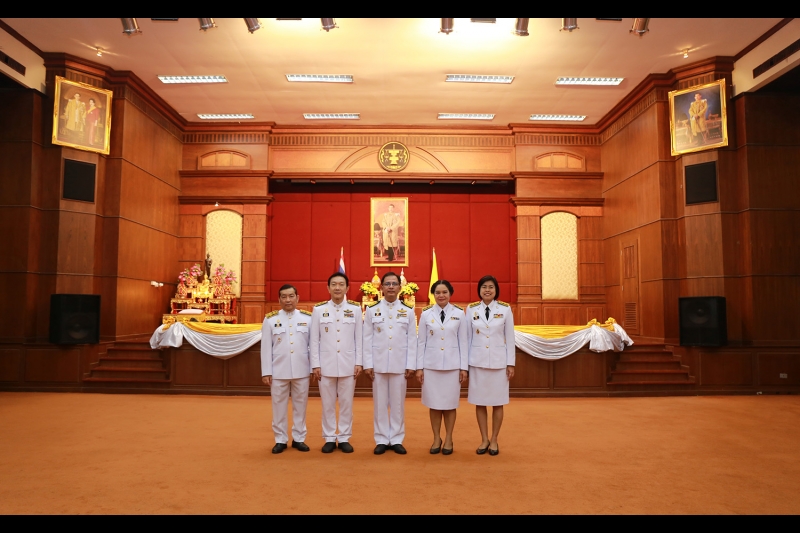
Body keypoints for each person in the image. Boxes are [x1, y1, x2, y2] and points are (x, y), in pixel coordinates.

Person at [363, 271, 416, 455]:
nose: (391, 287)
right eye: (387, 284)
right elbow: (367, 338)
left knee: (398, 403)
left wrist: (410, 364)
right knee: (379, 403)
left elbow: (412, 340)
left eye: (394, 283)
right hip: (378, 364)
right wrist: (368, 364)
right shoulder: (372, 309)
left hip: (400, 364)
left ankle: (396, 439)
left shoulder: (408, 311)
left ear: (400, 288)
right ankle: (381, 438)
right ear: (382, 287)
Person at [310, 272, 363, 453]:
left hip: (349, 364)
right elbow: (314, 340)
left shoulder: (356, 309)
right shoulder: (319, 310)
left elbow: (359, 339)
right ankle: (330, 437)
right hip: (325, 365)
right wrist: (315, 364)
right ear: (328, 288)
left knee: (347, 403)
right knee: (327, 403)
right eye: (334, 284)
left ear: (347, 288)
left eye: (341, 284)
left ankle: (345, 437)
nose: (338, 288)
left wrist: (359, 362)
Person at [416, 280, 467, 455]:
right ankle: (436, 438)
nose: (441, 295)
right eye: (437, 292)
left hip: (453, 366)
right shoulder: (425, 314)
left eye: (444, 292)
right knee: (434, 404)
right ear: (433, 294)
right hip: (431, 366)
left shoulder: (460, 314)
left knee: (450, 405)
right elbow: (421, 342)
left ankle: (449, 438)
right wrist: (419, 368)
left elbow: (464, 342)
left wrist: (463, 368)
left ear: (450, 293)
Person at [467, 275, 515, 456]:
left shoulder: (505, 309)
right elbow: (467, 339)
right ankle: (484, 439)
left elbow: (510, 338)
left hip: (498, 363)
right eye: (484, 287)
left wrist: (511, 363)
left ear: (496, 290)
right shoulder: (471, 310)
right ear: (479, 290)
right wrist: (466, 366)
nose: (487, 290)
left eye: (491, 287)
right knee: (479, 402)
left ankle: (494, 439)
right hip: (477, 362)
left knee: (497, 403)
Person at [261, 285, 313, 454]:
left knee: (300, 406)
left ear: (297, 298)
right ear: (279, 299)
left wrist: (313, 367)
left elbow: (313, 346)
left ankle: (299, 438)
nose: (288, 300)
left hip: (302, 369)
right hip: (278, 371)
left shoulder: (308, 318)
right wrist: (266, 371)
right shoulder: (270, 319)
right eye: (284, 297)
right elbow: (266, 348)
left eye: (291, 296)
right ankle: (280, 439)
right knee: (278, 407)